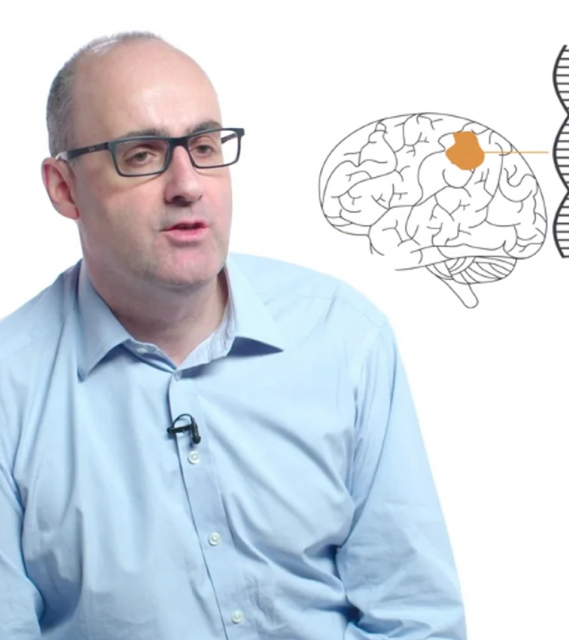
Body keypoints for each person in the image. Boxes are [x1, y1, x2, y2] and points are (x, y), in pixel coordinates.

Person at [0, 31, 467, 640]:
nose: (188, 184)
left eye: (204, 146)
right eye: (141, 155)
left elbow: (417, 617)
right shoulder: (11, 388)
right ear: (65, 188)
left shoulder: (344, 338)